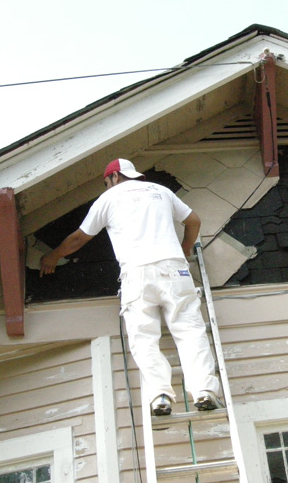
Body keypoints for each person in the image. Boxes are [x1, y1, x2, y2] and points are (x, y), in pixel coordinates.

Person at [40, 158, 222, 415]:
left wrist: (53, 257)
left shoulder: (109, 198)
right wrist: (184, 248)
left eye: (106, 183)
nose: (107, 187)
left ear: (114, 177)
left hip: (137, 272)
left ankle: (160, 395)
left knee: (144, 336)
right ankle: (204, 390)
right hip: (175, 269)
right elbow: (193, 221)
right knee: (190, 329)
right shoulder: (162, 191)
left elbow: (78, 239)